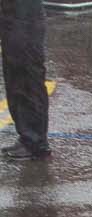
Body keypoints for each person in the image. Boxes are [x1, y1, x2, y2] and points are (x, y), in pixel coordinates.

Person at [2, 0, 50, 162]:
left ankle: (35, 141)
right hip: (12, 13)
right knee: (15, 74)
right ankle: (27, 137)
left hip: (24, 16)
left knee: (27, 76)